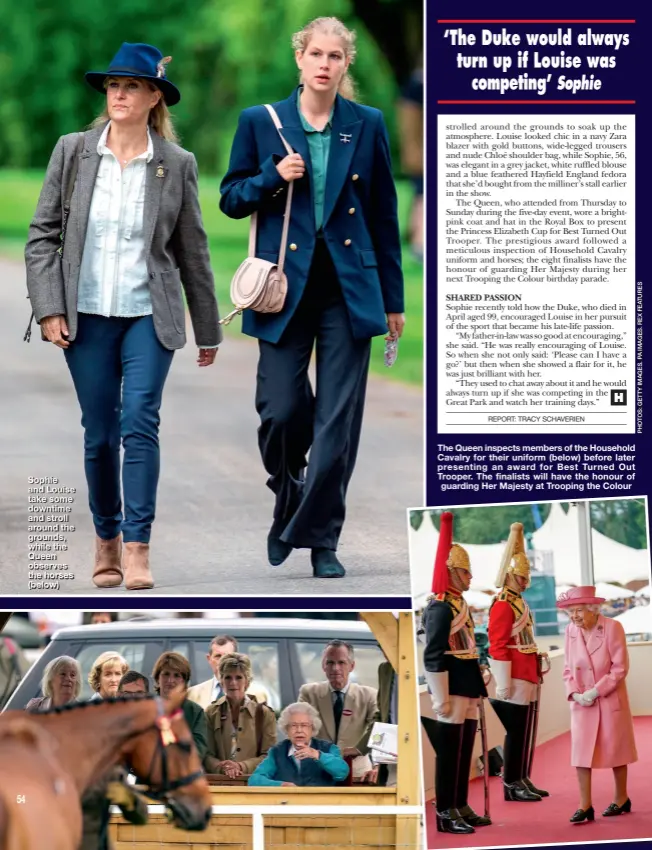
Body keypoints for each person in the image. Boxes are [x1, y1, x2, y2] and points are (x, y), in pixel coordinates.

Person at [25, 42, 222, 592]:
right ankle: (105, 540)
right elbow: (42, 236)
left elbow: (193, 252)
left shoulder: (176, 165)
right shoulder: (73, 151)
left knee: (140, 424)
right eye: (113, 85)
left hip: (147, 315)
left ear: (154, 95)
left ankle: (137, 549)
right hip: (85, 315)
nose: (118, 93)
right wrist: (49, 308)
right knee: (100, 435)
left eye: (131, 85)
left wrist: (207, 329)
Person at [219, 16, 405, 579]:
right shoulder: (261, 122)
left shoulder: (366, 125)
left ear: (346, 64)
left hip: (351, 290)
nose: (325, 64)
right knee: (280, 412)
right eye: (316, 53)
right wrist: (273, 177)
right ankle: (288, 501)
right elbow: (231, 198)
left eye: (336, 56)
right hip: (282, 290)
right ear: (300, 58)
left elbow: (383, 216)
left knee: (336, 427)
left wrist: (393, 301)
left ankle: (322, 541)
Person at [420, 511, 491, 835]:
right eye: (464, 571)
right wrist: (439, 697)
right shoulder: (439, 607)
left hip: (466, 681)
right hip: (450, 684)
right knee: (449, 754)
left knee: (464, 751)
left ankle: (460, 803)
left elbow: (466, 645)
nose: (470, 576)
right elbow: (433, 653)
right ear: (450, 572)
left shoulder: (459, 603)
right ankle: (446, 809)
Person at [557, 586, 638, 823]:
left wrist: (596, 690)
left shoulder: (613, 628)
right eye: (570, 612)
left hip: (609, 698)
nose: (574, 616)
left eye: (579, 610)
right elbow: (567, 669)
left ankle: (621, 798)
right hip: (583, 703)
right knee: (581, 755)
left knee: (616, 751)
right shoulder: (571, 631)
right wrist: (575, 693)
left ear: (593, 609)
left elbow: (619, 667)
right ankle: (585, 805)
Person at [488, 523, 549, 802]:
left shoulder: (519, 603)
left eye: (526, 578)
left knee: (523, 732)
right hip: (514, 675)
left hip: (527, 671)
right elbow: (498, 645)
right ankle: (512, 783)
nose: (525, 582)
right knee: (515, 733)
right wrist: (502, 682)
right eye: (521, 577)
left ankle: (522, 776)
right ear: (510, 575)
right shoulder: (502, 604)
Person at [298, 640, 377, 781]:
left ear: (351, 666)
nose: (335, 668)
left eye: (341, 663)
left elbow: (379, 730)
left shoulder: (368, 695)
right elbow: (298, 728)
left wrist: (375, 765)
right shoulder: (309, 693)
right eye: (330, 663)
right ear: (323, 666)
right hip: (317, 773)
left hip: (357, 775)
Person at [204, 653, 277, 777]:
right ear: (221, 682)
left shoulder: (264, 714)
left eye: (238, 677)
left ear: (247, 682)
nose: (233, 683)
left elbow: (270, 756)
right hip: (220, 784)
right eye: (228, 677)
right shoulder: (211, 712)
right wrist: (223, 767)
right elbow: (205, 755)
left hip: (253, 785)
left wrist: (241, 766)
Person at [249, 702, 349, 786]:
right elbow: (254, 780)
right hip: (287, 806)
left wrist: (317, 755)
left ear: (312, 728)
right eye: (293, 726)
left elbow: (342, 772)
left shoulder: (328, 748)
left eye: (304, 725)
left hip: (320, 806)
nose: (299, 730)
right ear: (286, 729)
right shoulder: (277, 752)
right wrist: (281, 785)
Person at [151, 651, 208, 761]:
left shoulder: (195, 712)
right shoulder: (146, 708)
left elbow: (199, 749)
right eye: (166, 674)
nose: (170, 680)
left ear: (184, 682)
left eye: (177, 676)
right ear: (158, 678)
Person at [186, 635, 270, 707]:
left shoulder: (257, 693)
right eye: (218, 656)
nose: (223, 661)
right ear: (209, 659)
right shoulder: (193, 694)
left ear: (236, 658)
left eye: (227, 656)